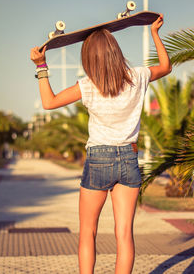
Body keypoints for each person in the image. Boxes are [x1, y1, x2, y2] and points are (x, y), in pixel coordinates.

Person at [31, 14, 172, 274]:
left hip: (98, 160)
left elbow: (49, 102)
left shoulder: (88, 86)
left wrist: (41, 66)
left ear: (89, 58)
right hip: (129, 159)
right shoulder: (137, 77)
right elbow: (166, 67)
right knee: (124, 235)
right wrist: (154, 33)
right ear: (114, 50)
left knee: (88, 232)